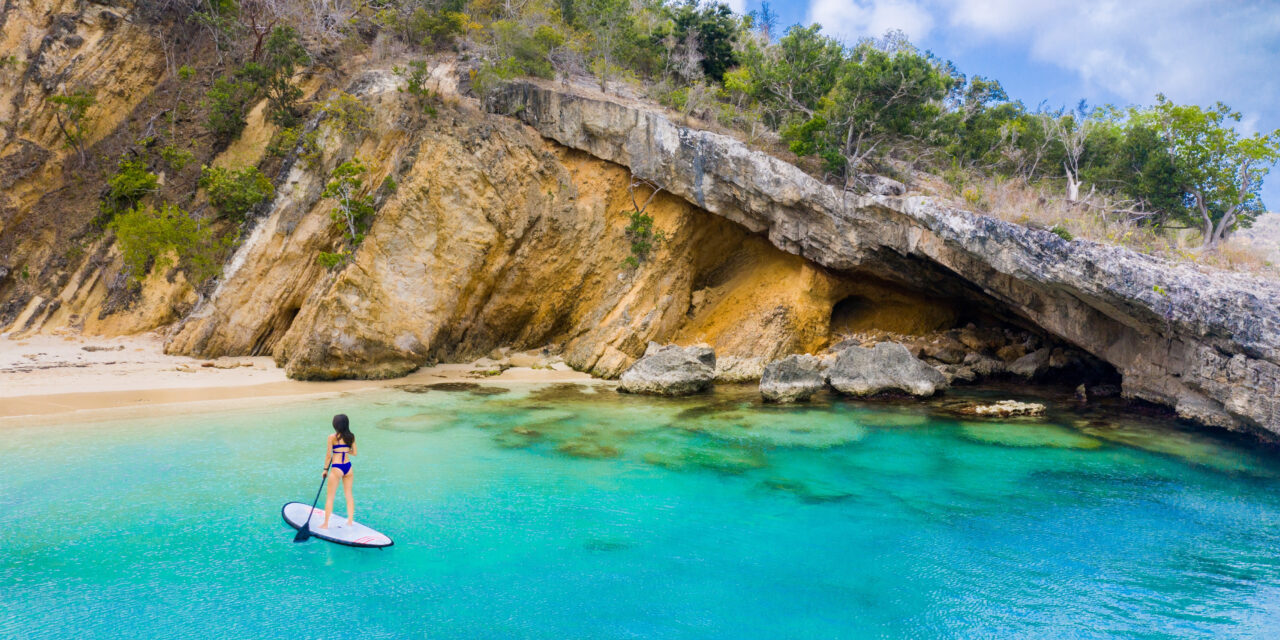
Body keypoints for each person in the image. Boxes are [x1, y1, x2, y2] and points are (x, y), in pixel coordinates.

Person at [321, 414, 357, 529]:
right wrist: (345, 451)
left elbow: (328, 455)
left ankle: (325, 524)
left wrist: (325, 470)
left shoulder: (332, 437)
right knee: (349, 495)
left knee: (330, 497)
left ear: (335, 424)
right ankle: (350, 521)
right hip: (348, 467)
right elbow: (354, 452)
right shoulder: (351, 436)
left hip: (337, 467)